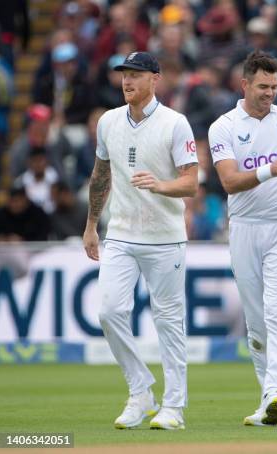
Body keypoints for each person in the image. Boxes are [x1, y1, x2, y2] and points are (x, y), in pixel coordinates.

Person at [82, 52, 198, 431]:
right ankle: (140, 390)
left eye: (135, 75)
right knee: (109, 312)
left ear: (155, 79)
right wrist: (91, 224)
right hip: (121, 233)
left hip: (165, 238)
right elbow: (101, 175)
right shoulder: (109, 122)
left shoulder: (175, 124)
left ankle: (174, 407)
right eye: (124, 75)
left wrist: (160, 186)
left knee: (169, 322)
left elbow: (191, 183)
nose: (127, 82)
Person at [208, 50, 277, 426]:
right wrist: (271, 170)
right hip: (243, 227)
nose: (270, 93)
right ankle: (270, 403)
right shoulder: (222, 126)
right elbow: (229, 181)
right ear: (244, 84)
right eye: (262, 86)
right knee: (256, 326)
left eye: (274, 86)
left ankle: (275, 394)